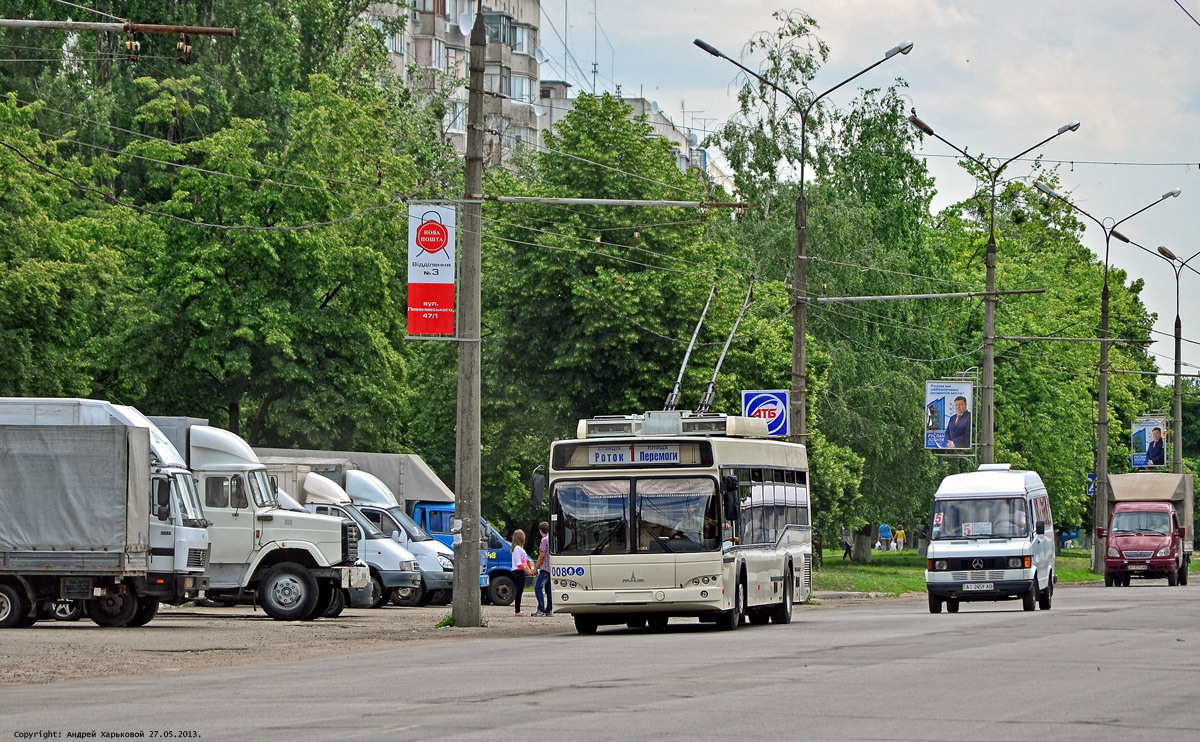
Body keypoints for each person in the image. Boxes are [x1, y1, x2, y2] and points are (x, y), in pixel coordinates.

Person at [532, 522, 552, 617]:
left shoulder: (544, 540)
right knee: (549, 589)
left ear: (541, 530)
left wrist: (536, 568)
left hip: (545, 568)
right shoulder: (552, 539)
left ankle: (541, 608)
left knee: (538, 587)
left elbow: (542, 555)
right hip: (552, 568)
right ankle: (549, 609)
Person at [510, 529, 530, 616]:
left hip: (520, 571)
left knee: (520, 591)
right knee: (519, 591)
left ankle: (518, 609)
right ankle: (517, 610)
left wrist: (529, 570)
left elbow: (524, 563)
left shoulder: (518, 548)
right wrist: (528, 572)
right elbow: (519, 563)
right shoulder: (517, 548)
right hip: (518, 572)